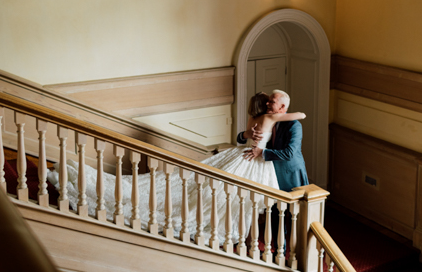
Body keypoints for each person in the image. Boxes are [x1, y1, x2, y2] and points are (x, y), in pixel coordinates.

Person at [46, 91, 306, 246]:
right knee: (227, 193)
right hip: (252, 158)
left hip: (260, 159)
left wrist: (256, 141)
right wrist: (254, 136)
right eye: (269, 102)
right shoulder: (271, 117)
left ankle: (261, 236)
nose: (271, 105)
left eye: (274, 102)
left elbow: (280, 134)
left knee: (240, 197)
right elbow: (295, 116)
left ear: (279, 105)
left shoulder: (262, 117)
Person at [238, 89, 309, 256]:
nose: (268, 103)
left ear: (282, 107)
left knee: (295, 218)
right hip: (271, 175)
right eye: (268, 101)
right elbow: (241, 137)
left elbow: (289, 153)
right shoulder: (267, 118)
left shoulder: (294, 125)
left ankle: (300, 254)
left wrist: (262, 153)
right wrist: (245, 134)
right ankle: (279, 253)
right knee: (276, 216)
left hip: (291, 175)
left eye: (272, 102)